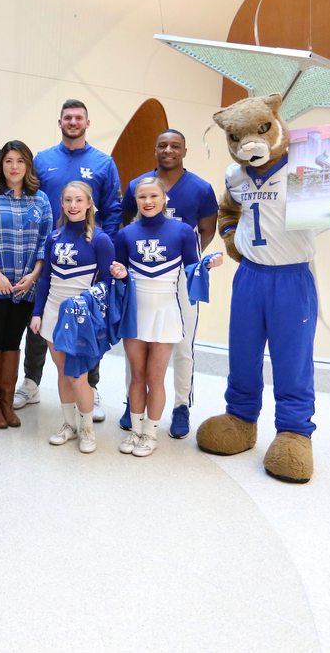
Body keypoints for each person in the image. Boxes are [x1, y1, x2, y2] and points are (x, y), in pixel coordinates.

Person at [16, 99, 122, 422]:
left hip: (87, 257)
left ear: (87, 123)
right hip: (48, 251)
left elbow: (113, 210)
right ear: (59, 122)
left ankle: (90, 386)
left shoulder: (103, 163)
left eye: (79, 118)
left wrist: (104, 249)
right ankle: (31, 382)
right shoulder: (43, 160)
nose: (73, 122)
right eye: (68, 117)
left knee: (88, 321)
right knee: (41, 318)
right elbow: (30, 200)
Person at [119, 129, 219, 438]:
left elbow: (207, 229)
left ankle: (181, 406)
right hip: (145, 277)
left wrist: (184, 258)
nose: (169, 150)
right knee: (136, 341)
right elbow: (127, 223)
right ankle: (132, 402)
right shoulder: (138, 185)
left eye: (176, 145)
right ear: (155, 150)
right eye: (162, 145)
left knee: (183, 343)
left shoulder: (201, 188)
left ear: (185, 151)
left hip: (180, 275)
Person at [30, 181, 121, 453]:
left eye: (79, 200)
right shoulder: (54, 237)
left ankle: (87, 429)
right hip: (53, 313)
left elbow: (108, 282)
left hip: (81, 317)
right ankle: (69, 425)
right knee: (62, 372)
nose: (73, 205)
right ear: (61, 203)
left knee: (78, 376)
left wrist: (87, 303)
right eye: (68, 200)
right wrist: (37, 313)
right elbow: (45, 279)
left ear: (89, 203)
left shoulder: (100, 240)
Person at [0, 140, 52, 429]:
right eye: (8, 161)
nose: (14, 167)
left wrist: (34, 275)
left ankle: (7, 401)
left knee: (12, 342)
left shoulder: (41, 200)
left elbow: (45, 241)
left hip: (25, 286)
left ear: (28, 165)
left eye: (20, 161)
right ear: (1, 165)